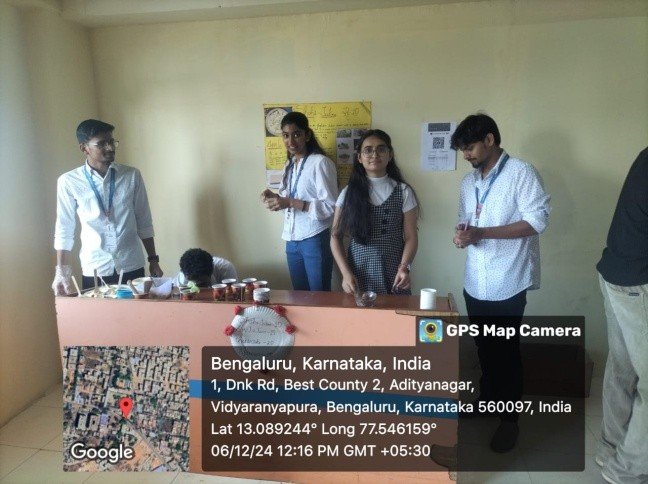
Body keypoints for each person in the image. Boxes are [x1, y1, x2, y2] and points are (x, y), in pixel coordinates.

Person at [451, 113, 550, 453]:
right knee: (484, 347)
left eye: (470, 147)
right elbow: (466, 220)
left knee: (506, 352)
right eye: (463, 150)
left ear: (490, 140)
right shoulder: (469, 182)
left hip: (509, 278)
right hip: (475, 280)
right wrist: (463, 234)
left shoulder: (521, 172)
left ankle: (510, 420)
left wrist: (483, 233)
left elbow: (537, 221)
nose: (466, 155)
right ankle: (487, 400)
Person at [52, 119, 163, 294]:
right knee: (99, 312)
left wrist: (153, 260)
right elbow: (64, 227)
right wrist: (61, 271)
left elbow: (144, 220)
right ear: (84, 148)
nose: (110, 147)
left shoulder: (131, 175)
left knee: (135, 311)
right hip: (95, 267)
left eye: (111, 141)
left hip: (131, 264)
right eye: (102, 144)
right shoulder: (69, 181)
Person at [595, 147, 648, 484]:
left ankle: (610, 448)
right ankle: (628, 469)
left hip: (616, 273)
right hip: (638, 283)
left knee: (622, 368)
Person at [331, 129, 419, 295]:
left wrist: (405, 267)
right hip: (358, 271)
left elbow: (411, 237)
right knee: (361, 311)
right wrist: (345, 274)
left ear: (390, 155)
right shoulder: (348, 193)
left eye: (381, 149)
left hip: (395, 271)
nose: (374, 154)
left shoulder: (403, 191)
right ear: (359, 157)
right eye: (368, 150)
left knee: (395, 310)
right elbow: (335, 236)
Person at [260, 112, 338, 291]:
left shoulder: (321, 163)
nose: (291, 141)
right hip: (291, 239)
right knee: (299, 296)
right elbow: (287, 200)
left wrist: (291, 202)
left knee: (319, 296)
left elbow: (331, 206)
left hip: (314, 238)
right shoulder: (289, 165)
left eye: (296, 134)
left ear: (307, 135)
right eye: (286, 135)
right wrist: (275, 199)